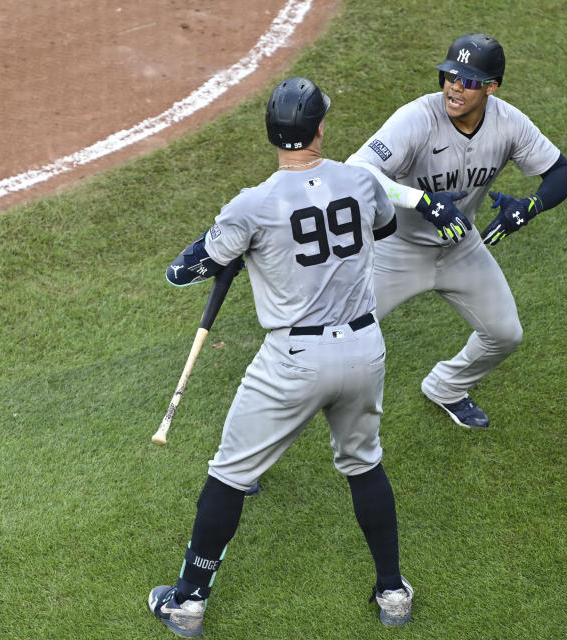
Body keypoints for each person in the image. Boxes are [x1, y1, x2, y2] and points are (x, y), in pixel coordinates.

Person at [146, 77, 422, 638]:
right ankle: (392, 592)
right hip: (365, 349)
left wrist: (224, 240)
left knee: (227, 476)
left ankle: (188, 602)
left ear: (272, 133)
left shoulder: (253, 204)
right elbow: (384, 225)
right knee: (364, 464)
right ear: (319, 128)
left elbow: (183, 271)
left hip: (294, 359)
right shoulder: (361, 180)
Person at [346, 33, 567, 429]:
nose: (454, 86)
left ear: (491, 87)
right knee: (332, 340)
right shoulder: (416, 118)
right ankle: (249, 453)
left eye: (468, 80)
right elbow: (357, 168)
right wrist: (422, 201)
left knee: (505, 334)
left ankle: (447, 386)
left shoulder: (509, 123)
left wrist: (529, 207)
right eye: (449, 75)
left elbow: (562, 174)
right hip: (394, 250)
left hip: (459, 248)